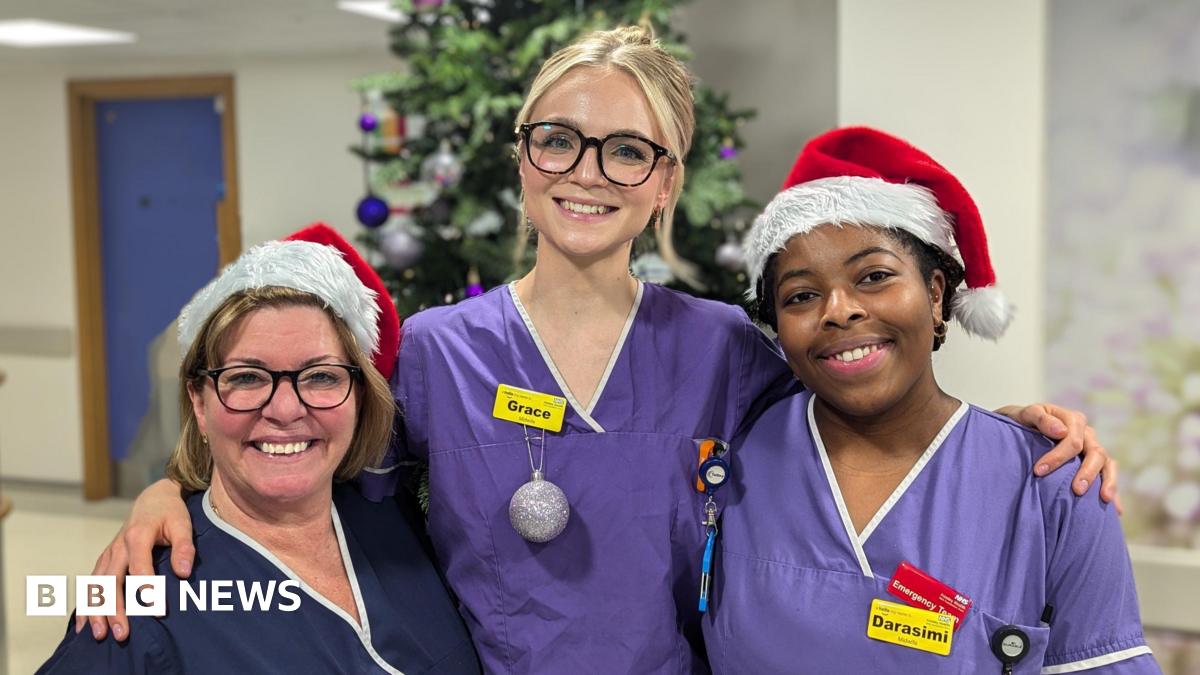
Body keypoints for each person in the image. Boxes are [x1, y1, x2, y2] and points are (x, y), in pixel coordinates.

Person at [85, 28, 1115, 674]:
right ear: (525, 158)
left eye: (629, 149)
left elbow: (859, 411)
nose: (590, 171)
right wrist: (170, 492)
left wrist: (1018, 429)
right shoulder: (440, 354)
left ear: (665, 182)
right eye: (559, 139)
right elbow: (318, 482)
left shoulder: (723, 348)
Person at [703, 127, 1158, 673]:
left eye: (874, 277)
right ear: (777, 325)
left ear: (937, 295)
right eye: (801, 295)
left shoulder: (1056, 486)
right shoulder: (730, 460)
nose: (839, 310)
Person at [41, 225, 479, 673]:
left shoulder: (403, 519)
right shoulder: (135, 607)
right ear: (199, 401)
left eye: (322, 376)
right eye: (247, 378)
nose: (286, 409)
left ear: (360, 396)